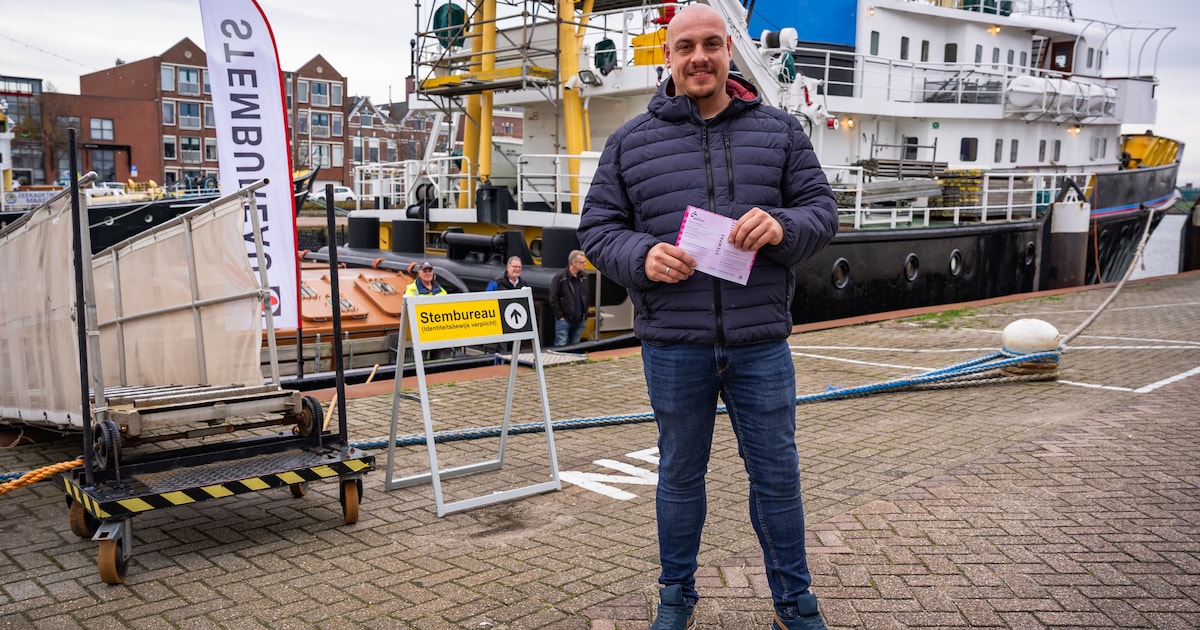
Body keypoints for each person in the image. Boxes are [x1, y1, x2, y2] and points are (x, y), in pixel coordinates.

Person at [576, 5, 838, 630]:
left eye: (712, 45)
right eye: (685, 46)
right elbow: (597, 229)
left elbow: (822, 212)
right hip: (674, 343)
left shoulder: (779, 132)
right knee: (679, 478)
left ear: (729, 53)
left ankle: (795, 604)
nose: (700, 57)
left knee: (777, 477)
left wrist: (782, 226)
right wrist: (641, 255)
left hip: (760, 342)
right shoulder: (630, 143)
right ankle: (675, 597)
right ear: (668, 57)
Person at [548, 249, 590, 346]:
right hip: (564, 320)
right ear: (573, 263)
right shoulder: (560, 278)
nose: (585, 264)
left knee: (575, 345)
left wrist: (585, 315)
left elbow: (587, 296)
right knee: (561, 345)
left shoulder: (584, 277)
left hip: (580, 319)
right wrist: (560, 316)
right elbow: (553, 298)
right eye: (582, 262)